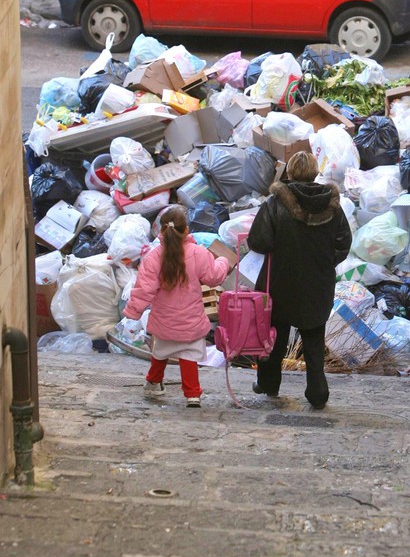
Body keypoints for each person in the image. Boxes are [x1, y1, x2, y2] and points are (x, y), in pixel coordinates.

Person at [247, 151, 352, 410]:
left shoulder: (275, 204)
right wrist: (324, 263)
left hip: (279, 282)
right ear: (315, 173)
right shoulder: (333, 206)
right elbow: (344, 243)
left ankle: (269, 384)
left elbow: (258, 242)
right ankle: (317, 393)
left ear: (290, 173)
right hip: (318, 284)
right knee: (314, 338)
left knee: (275, 336)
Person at [123, 205, 230, 408]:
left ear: (161, 230)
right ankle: (192, 394)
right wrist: (223, 261)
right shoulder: (198, 253)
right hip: (191, 320)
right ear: (186, 230)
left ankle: (153, 382)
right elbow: (214, 277)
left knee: (161, 351)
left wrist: (133, 312)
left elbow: (143, 289)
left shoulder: (153, 258)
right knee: (188, 354)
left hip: (164, 320)